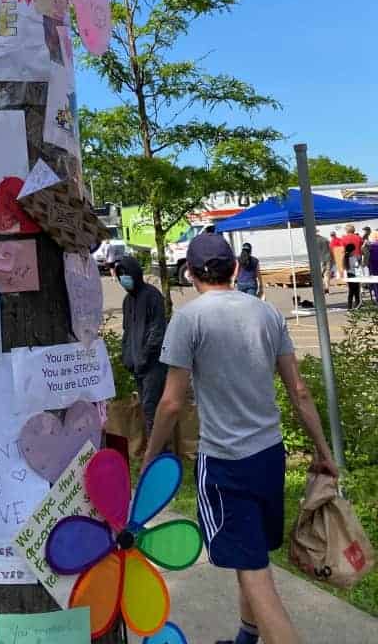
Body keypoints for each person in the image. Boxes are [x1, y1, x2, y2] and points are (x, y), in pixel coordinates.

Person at [144, 233, 338, 644]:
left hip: (224, 464)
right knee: (252, 559)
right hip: (269, 457)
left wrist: (148, 459)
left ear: (191, 275)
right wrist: (323, 452)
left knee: (255, 574)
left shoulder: (188, 320)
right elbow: (299, 391)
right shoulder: (267, 315)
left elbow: (171, 404)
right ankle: (246, 638)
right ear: (235, 268)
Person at [114, 255, 167, 436]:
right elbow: (127, 331)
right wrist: (126, 356)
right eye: (120, 275)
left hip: (153, 364)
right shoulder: (128, 301)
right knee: (146, 409)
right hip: (137, 365)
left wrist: (144, 358)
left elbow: (157, 331)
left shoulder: (152, 296)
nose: (123, 279)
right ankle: (155, 446)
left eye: (126, 274)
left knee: (151, 407)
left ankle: (159, 451)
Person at [344, 242, 361, 311]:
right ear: (352, 250)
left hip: (348, 275)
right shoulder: (354, 257)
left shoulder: (345, 257)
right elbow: (357, 266)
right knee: (356, 292)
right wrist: (359, 261)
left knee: (351, 292)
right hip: (354, 275)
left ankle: (349, 306)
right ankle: (357, 306)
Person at [315, 229, 331, 293]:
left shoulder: (313, 240)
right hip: (327, 258)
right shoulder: (325, 239)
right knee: (326, 274)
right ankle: (327, 288)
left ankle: (321, 289)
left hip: (319, 259)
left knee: (319, 274)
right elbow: (330, 248)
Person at [368, 230, 378, 303]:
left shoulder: (371, 247)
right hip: (374, 266)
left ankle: (377, 298)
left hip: (374, 267)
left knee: (376, 284)